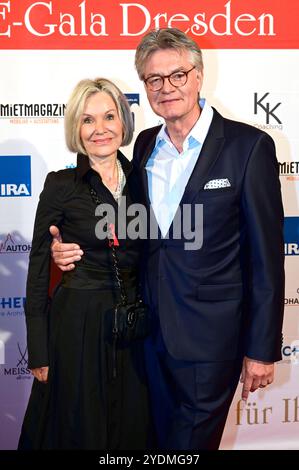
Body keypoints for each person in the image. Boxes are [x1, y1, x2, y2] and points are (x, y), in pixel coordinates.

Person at [50, 28, 285, 450]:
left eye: (177, 75)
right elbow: (126, 227)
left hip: (210, 343)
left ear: (198, 76)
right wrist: (67, 246)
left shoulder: (248, 147)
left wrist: (262, 348)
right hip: (143, 339)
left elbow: (267, 257)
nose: (166, 88)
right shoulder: (142, 147)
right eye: (154, 80)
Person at [18, 78, 150, 450]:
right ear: (76, 128)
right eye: (87, 120)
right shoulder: (61, 185)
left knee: (131, 429)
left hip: (134, 328)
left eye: (109, 116)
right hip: (76, 326)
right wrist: (38, 349)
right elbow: (39, 270)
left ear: (123, 122)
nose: (100, 129)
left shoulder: (146, 180)